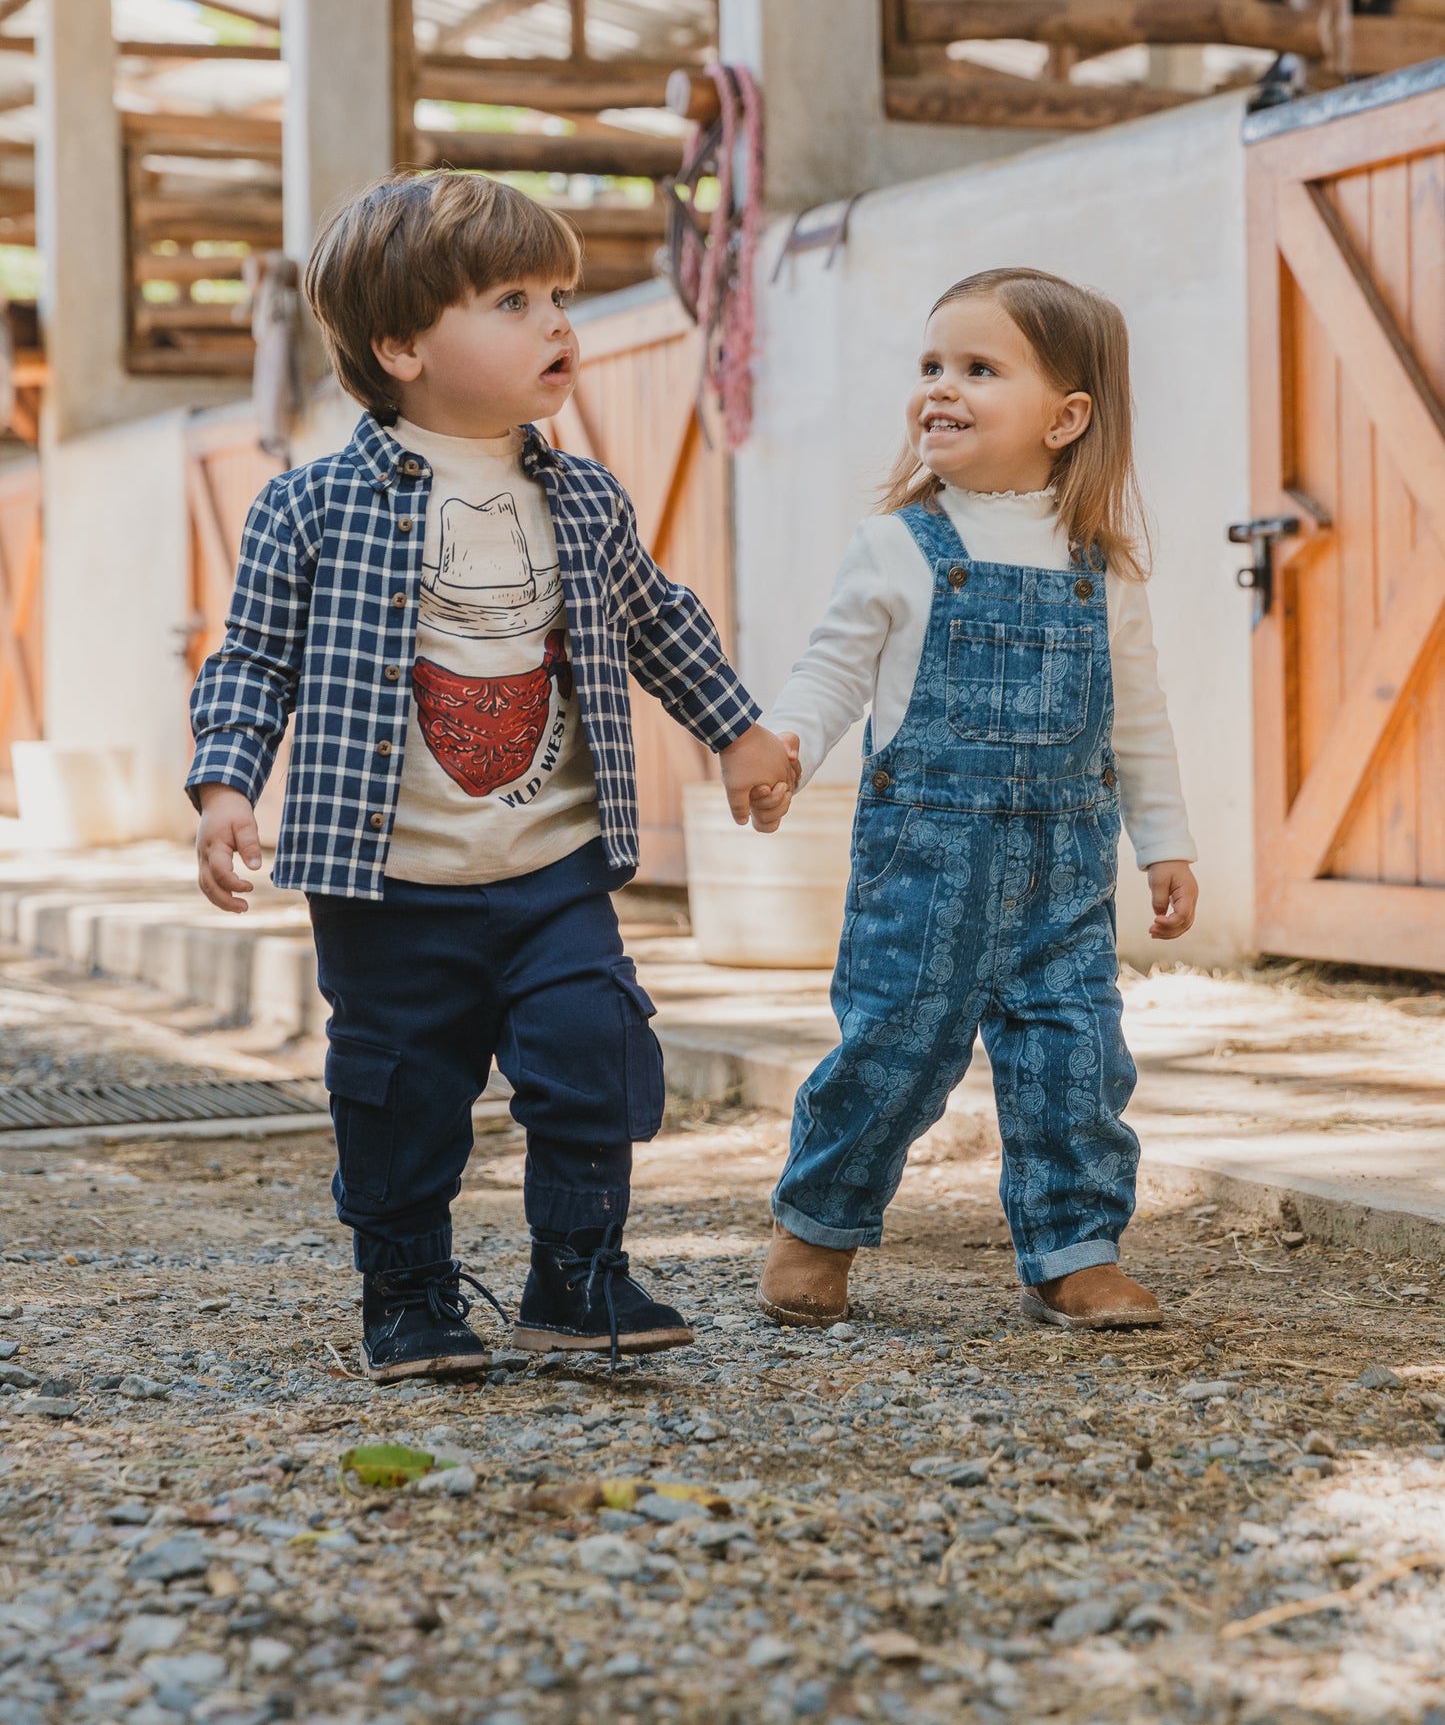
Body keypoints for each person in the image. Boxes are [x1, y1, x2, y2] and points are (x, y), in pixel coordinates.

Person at [188, 171, 797, 1381]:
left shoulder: (582, 496)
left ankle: (576, 1276)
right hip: (385, 880)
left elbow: (655, 622)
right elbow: (250, 658)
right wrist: (224, 787)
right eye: (514, 299)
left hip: (552, 865)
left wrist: (736, 730)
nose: (558, 323)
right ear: (402, 344)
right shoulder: (308, 508)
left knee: (593, 1052)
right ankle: (407, 1292)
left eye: (559, 294)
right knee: (400, 1092)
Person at [757, 267, 1197, 1335]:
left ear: (1066, 415)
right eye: (929, 366)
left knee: (1075, 1058)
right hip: (924, 864)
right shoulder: (898, 544)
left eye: (978, 368)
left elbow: (1135, 716)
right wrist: (784, 743)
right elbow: (830, 673)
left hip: (1064, 872)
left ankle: (1073, 1248)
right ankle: (816, 1223)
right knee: (894, 1051)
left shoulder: (1103, 567)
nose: (939, 389)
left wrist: (1164, 843)